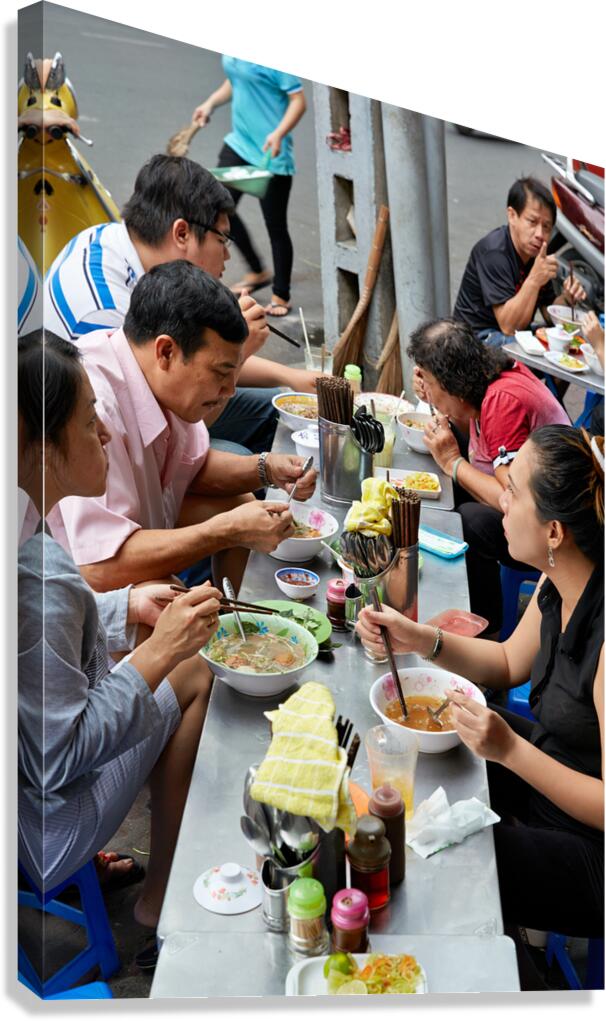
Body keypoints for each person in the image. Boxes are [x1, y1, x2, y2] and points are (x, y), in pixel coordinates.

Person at [357, 424, 603, 951]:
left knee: (451, 858)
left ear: (554, 531)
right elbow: (509, 660)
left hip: (592, 849)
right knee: (431, 731)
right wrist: (420, 638)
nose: (501, 501)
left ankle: (505, 976)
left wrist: (509, 749)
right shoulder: (559, 576)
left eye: (513, 493)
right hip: (552, 770)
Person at [18, 330, 223, 950]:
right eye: (88, 423)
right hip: (47, 831)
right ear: (40, 445)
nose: (105, 435)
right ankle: (159, 900)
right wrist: (160, 652)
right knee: (195, 672)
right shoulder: (37, 578)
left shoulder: (26, 519)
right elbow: (56, 759)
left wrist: (127, 606)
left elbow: (35, 643)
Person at [45, 261, 316, 595]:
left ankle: (235, 618)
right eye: (221, 373)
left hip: (121, 542)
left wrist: (266, 468)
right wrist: (223, 531)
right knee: (170, 599)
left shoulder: (153, 375)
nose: (231, 390)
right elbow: (99, 567)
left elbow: (190, 467)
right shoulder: (96, 404)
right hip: (69, 587)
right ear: (166, 351)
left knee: (243, 505)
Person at [43, 154, 320, 457]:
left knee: (273, 404)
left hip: (144, 414)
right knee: (237, 454)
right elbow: (166, 431)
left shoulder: (113, 240)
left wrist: (289, 377)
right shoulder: (106, 314)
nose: (227, 257)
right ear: (182, 233)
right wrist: (239, 352)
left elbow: (194, 358)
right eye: (223, 239)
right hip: (106, 451)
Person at [408, 318, 570, 635]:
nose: (424, 388)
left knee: (471, 522)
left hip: (555, 533)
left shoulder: (501, 402)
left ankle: (487, 633)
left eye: (428, 380)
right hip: (533, 511)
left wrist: (453, 463)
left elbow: (511, 500)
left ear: (451, 382)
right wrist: (434, 394)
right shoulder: (486, 378)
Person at [193, 56, 307, 317]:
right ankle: (257, 271)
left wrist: (279, 132)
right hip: (239, 144)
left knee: (275, 225)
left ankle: (281, 295)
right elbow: (236, 79)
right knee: (215, 207)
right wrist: (210, 103)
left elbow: (298, 101)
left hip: (271, 152)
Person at [453, 176, 587, 346]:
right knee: (540, 350)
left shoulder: (536, 255)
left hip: (508, 334)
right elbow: (509, 327)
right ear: (512, 216)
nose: (539, 234)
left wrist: (567, 298)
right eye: (532, 222)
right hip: (474, 339)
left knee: (563, 342)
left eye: (546, 227)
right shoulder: (494, 252)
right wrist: (534, 279)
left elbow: (548, 314)